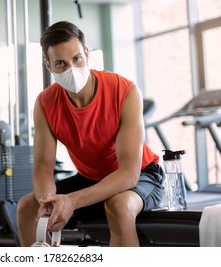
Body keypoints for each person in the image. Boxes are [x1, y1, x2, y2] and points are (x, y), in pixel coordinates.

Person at [16, 21, 165, 247]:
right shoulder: (45, 103)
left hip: (143, 175)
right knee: (27, 208)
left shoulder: (124, 91)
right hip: (92, 178)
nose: (71, 69)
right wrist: (49, 204)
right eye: (61, 64)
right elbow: (43, 168)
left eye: (76, 59)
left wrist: (72, 201)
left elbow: (128, 174)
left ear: (86, 53)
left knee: (119, 206)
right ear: (49, 66)